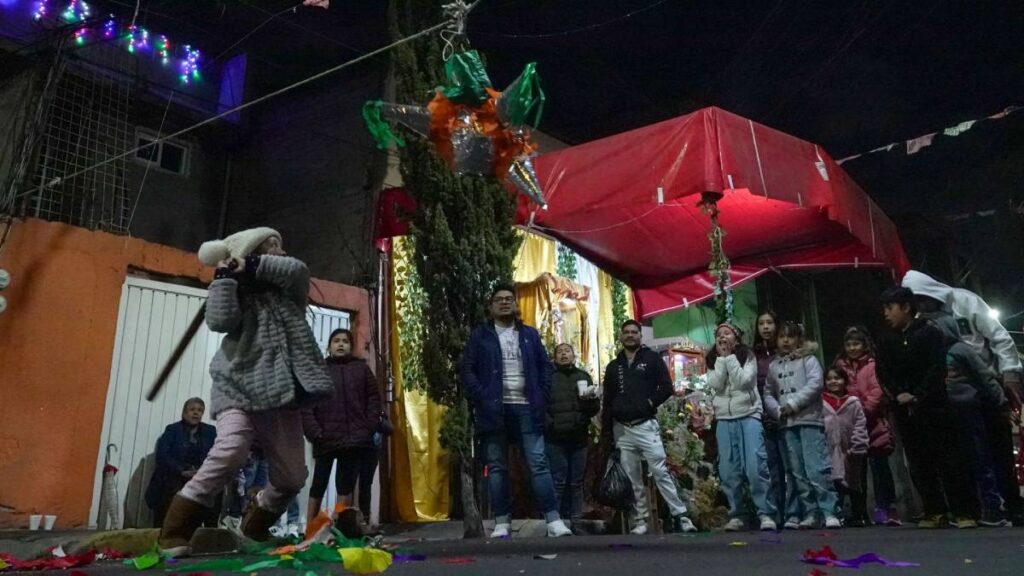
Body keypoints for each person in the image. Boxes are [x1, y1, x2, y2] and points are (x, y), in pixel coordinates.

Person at [157, 227, 334, 557]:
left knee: (293, 477)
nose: (279, 252)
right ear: (247, 252)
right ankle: (174, 532)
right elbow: (220, 321)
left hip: (279, 394)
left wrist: (250, 264)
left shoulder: (289, 295)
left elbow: (298, 271)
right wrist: (224, 279)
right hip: (237, 386)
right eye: (270, 246)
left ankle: (253, 527)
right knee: (231, 451)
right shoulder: (235, 293)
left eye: (280, 245)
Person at [459, 283, 572, 538]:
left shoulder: (530, 335)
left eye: (509, 299)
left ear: (515, 304)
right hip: (493, 410)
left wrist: (541, 397)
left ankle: (553, 521)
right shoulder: (481, 336)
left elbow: (545, 367)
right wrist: (482, 396)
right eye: (499, 299)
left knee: (538, 464)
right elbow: (467, 370)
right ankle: (502, 522)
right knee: (497, 467)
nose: (504, 303)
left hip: (527, 409)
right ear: (491, 306)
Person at [909, 287, 1018, 527]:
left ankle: (994, 506)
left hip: (971, 409)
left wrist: (1002, 399)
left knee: (982, 456)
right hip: (948, 412)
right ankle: (973, 507)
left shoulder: (961, 348)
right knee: (964, 460)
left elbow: (985, 377)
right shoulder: (935, 353)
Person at [875, 287, 979, 529]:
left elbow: (936, 370)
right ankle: (934, 510)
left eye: (890, 308)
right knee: (919, 462)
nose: (886, 314)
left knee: (948, 459)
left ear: (906, 307)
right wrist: (898, 394)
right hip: (904, 410)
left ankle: (963, 511)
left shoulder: (930, 333)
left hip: (934, 407)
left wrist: (918, 396)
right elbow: (883, 372)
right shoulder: (885, 339)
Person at [601, 319, 698, 534]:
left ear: (640, 336)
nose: (630, 335)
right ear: (621, 336)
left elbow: (666, 387)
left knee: (660, 472)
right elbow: (608, 399)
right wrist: (607, 431)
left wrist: (648, 403)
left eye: (634, 332)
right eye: (626, 332)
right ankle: (641, 521)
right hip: (622, 430)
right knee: (632, 476)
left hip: (645, 426)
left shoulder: (651, 359)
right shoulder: (613, 366)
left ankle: (681, 516)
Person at [302, 328, 381, 539]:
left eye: (345, 341)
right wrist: (315, 432)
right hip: (325, 438)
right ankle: (309, 529)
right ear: (329, 346)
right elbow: (307, 405)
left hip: (354, 440)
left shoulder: (361, 369)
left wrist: (367, 428)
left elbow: (374, 399)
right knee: (318, 483)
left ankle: (339, 529)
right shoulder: (319, 371)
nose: (341, 344)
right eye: (336, 341)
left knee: (345, 486)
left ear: (350, 345)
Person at [902, 270, 1023, 408]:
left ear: (930, 292)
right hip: (960, 388)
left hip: (991, 377)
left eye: (922, 299)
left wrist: (1010, 371)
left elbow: (999, 336)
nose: (921, 306)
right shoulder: (922, 317)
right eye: (916, 302)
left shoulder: (965, 300)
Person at [763, 321, 841, 530]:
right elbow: (768, 392)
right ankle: (810, 512)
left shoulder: (809, 360)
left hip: (809, 420)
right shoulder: (774, 366)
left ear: (799, 339)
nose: (786, 340)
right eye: (782, 336)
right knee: (796, 471)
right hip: (787, 424)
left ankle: (829, 510)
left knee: (816, 467)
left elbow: (815, 384)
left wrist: (793, 403)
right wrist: (778, 410)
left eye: (791, 336)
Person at [707, 322, 777, 532]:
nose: (723, 337)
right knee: (728, 470)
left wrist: (729, 358)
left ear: (736, 338)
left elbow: (744, 382)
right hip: (724, 418)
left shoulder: (747, 356)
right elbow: (717, 384)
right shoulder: (712, 359)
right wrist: (721, 359)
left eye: (727, 333)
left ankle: (765, 513)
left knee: (755, 466)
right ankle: (736, 514)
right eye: (719, 334)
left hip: (748, 416)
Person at [833, 326, 899, 526]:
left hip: (873, 423)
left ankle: (887, 508)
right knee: (854, 471)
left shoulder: (872, 365)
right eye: (849, 344)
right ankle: (858, 511)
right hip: (850, 427)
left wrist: (861, 411)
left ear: (864, 345)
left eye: (856, 344)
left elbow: (876, 390)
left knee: (880, 468)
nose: (852, 348)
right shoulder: (840, 365)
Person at [545, 343, 600, 533]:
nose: (563, 355)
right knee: (558, 481)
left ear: (573, 356)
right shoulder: (549, 378)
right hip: (556, 438)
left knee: (577, 482)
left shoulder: (583, 376)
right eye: (560, 352)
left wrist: (590, 401)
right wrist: (549, 424)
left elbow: (594, 408)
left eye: (567, 351)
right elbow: (541, 405)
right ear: (554, 357)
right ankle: (555, 521)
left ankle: (576, 521)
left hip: (578, 437)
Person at [145, 398, 217, 528]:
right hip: (175, 477)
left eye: (200, 410)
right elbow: (162, 456)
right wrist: (182, 470)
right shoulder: (172, 430)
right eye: (192, 409)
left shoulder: (210, 432)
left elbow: (217, 455)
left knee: (214, 492)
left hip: (199, 477)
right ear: (184, 413)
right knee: (169, 492)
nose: (196, 413)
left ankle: (208, 537)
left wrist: (203, 472)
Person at [753, 311, 795, 525]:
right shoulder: (753, 355)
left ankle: (796, 512)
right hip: (763, 417)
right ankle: (777, 513)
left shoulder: (787, 354)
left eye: (770, 322)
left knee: (793, 466)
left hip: (788, 414)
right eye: (761, 323)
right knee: (771, 469)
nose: (766, 327)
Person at [822, 367, 869, 526]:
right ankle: (837, 512)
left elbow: (860, 424)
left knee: (854, 482)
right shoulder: (821, 403)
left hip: (851, 449)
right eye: (829, 379)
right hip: (829, 449)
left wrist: (858, 445)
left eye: (837, 378)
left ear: (845, 381)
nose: (833, 381)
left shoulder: (853, 402)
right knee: (834, 482)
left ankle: (859, 514)